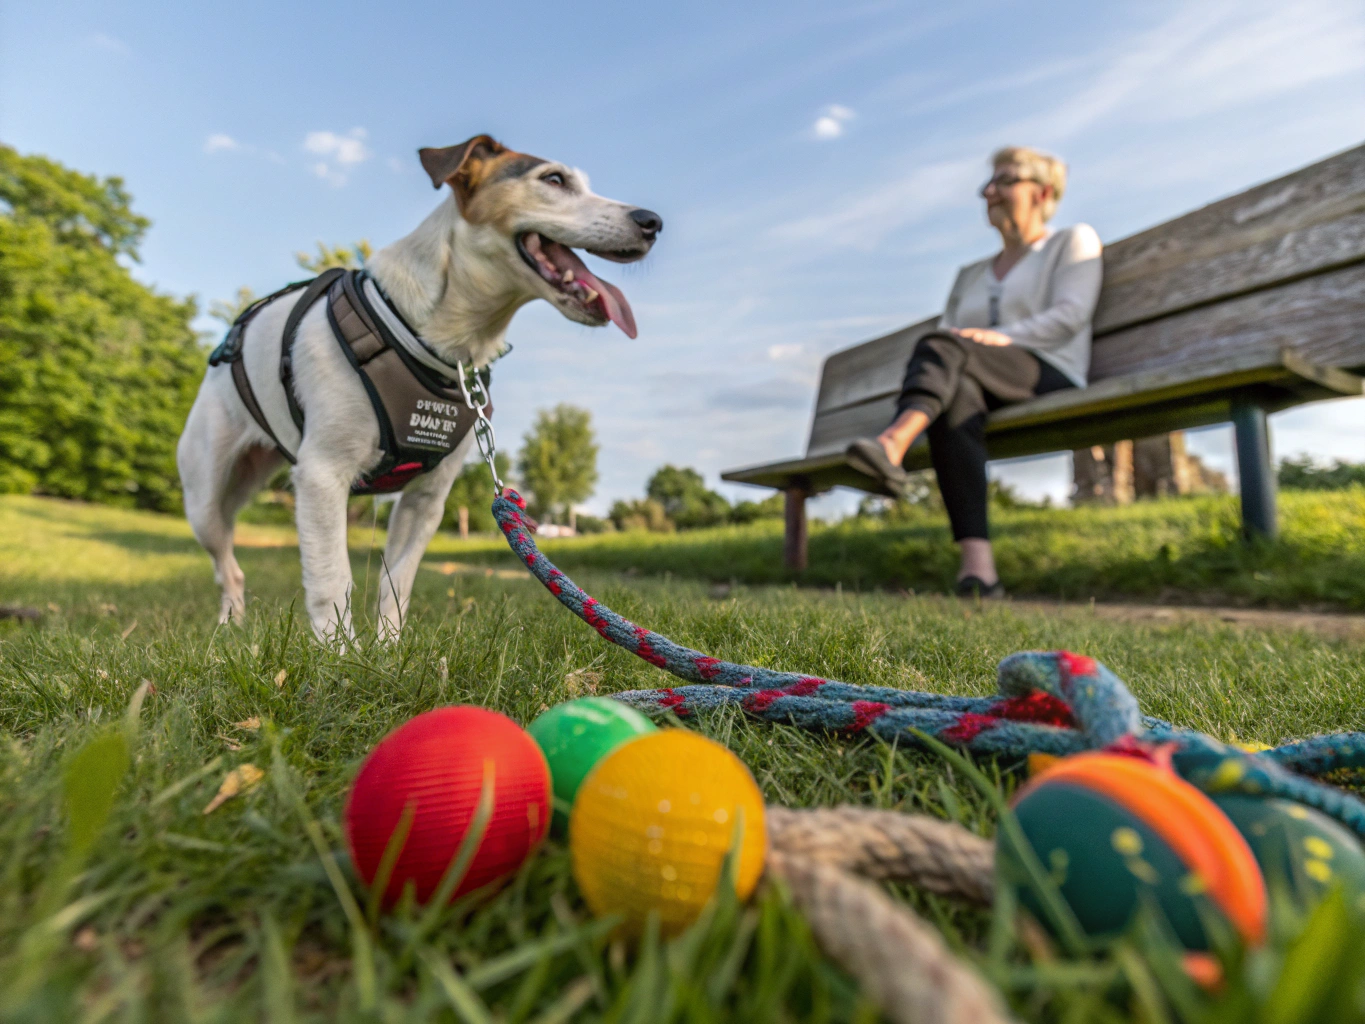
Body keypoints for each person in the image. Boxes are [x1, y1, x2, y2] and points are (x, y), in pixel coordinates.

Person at [845, 146, 1102, 598]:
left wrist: (1004, 337)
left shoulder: (1071, 241)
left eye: (1004, 181)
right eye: (989, 183)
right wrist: (970, 346)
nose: (988, 191)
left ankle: (894, 442)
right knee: (956, 395)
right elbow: (950, 341)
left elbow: (1071, 314)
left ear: (1042, 192)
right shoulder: (970, 274)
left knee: (945, 348)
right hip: (979, 379)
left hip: (1047, 368)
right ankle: (979, 572)